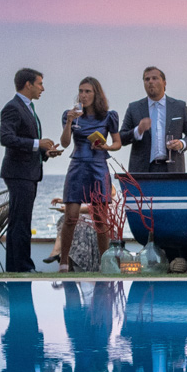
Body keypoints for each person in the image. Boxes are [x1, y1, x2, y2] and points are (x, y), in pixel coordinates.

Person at [48, 77, 122, 270]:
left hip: (98, 166)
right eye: (81, 91)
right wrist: (69, 122)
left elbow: (117, 143)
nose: (83, 95)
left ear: (96, 94)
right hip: (78, 166)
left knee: (100, 220)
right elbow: (65, 143)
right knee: (70, 217)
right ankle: (63, 263)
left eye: (88, 91)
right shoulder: (70, 115)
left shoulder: (109, 116)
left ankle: (104, 264)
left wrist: (105, 146)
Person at [0, 68, 61, 273]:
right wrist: (37, 143)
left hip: (29, 172)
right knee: (20, 222)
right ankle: (22, 267)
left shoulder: (28, 108)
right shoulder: (13, 107)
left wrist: (45, 152)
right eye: (40, 83)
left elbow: (26, 142)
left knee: (21, 221)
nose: (43, 88)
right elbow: (6, 138)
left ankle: (17, 267)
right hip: (19, 173)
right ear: (28, 84)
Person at [119, 66, 187, 173]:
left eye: (155, 78)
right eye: (147, 79)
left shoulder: (179, 106)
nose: (150, 81)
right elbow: (121, 138)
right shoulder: (134, 108)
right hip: (142, 171)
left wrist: (181, 143)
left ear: (164, 83)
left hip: (173, 170)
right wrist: (138, 130)